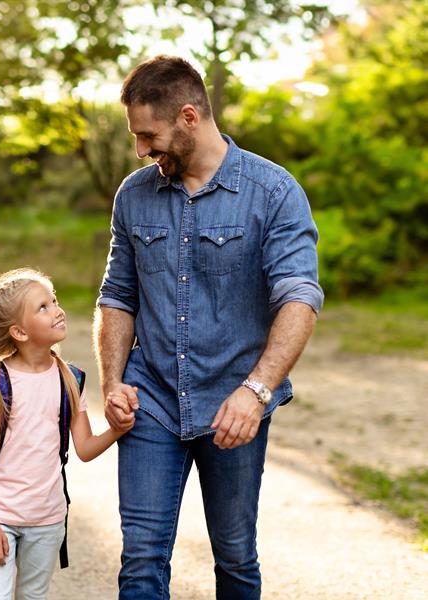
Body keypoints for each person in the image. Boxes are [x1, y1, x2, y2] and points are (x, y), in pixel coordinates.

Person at [94, 55, 324, 599]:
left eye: (148, 135)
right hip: (150, 399)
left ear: (190, 117)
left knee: (236, 557)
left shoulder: (273, 191)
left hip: (235, 404)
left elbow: (299, 295)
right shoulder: (134, 194)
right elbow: (117, 295)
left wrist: (256, 390)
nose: (141, 150)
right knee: (141, 558)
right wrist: (110, 383)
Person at [0, 268, 132, 600]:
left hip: (48, 520)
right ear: (19, 332)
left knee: (33, 596)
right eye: (43, 307)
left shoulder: (70, 379)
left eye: (54, 301)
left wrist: (117, 429)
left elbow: (83, 447)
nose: (57, 310)